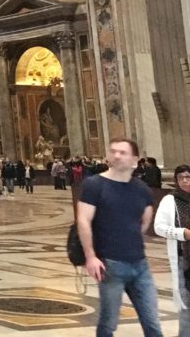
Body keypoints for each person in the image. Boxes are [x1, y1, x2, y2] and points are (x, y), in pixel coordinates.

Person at [76, 138, 162, 337]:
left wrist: (128, 238)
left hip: (140, 265)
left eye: (122, 152)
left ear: (135, 159)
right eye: (113, 151)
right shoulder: (94, 184)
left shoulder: (142, 189)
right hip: (110, 264)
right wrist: (90, 257)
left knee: (152, 323)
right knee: (108, 324)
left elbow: (144, 222)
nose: (116, 156)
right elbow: (83, 221)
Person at [154, 164, 190, 337]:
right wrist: (183, 233)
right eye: (180, 177)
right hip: (184, 259)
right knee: (186, 303)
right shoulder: (170, 200)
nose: (185, 181)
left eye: (188, 177)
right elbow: (158, 227)